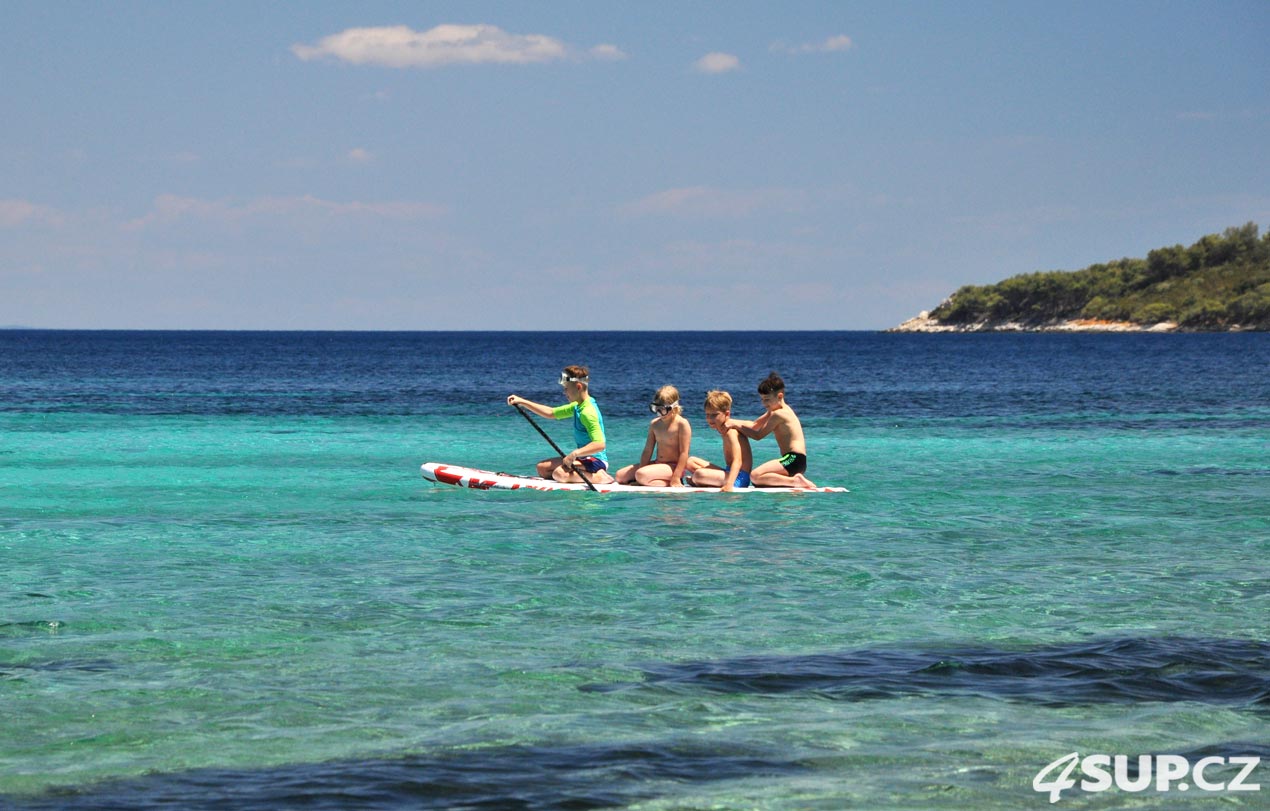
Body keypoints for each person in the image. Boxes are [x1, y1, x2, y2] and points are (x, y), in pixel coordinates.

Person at [506, 365, 613, 484]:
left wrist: (575, 453)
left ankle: (600, 477)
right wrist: (522, 401)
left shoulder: (588, 412)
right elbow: (551, 413)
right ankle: (578, 476)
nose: (564, 392)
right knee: (542, 468)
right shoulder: (577, 406)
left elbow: (600, 444)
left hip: (596, 460)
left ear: (578, 386)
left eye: (566, 388)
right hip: (582, 458)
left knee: (559, 474)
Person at [726, 371, 817, 489]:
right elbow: (754, 424)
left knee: (755, 476)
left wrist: (735, 425)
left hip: (794, 459)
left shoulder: (779, 414)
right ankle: (791, 480)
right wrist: (731, 421)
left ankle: (795, 481)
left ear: (780, 396)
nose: (764, 403)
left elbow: (758, 435)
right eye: (762, 399)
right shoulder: (775, 411)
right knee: (759, 480)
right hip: (794, 461)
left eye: (767, 399)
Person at [615, 385, 692, 487]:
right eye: (656, 409)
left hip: (673, 467)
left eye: (663, 410)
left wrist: (676, 476)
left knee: (641, 475)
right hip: (658, 463)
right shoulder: (654, 424)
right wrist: (640, 471)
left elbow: (684, 453)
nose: (660, 413)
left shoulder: (682, 424)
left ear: (674, 408)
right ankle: (658, 481)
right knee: (620, 476)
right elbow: (648, 450)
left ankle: (671, 480)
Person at [685, 390, 752, 491]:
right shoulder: (723, 430)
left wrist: (729, 485)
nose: (710, 419)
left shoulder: (731, 432)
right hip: (729, 472)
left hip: (738, 479)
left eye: (714, 415)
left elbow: (737, 460)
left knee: (699, 474)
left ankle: (702, 480)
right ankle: (706, 480)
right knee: (690, 461)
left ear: (727, 414)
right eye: (707, 415)